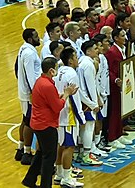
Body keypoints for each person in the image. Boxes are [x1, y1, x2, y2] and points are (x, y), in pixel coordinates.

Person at [22, 57, 79, 188]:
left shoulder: (40, 81)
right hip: (46, 125)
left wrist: (63, 95)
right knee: (49, 157)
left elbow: (49, 100)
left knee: (42, 152)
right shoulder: (47, 85)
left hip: (38, 123)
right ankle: (45, 185)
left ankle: (29, 180)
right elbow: (58, 106)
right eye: (56, 68)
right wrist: (66, 94)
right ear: (51, 70)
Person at [51, 48, 85, 188]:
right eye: (76, 57)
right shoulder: (72, 74)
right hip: (68, 115)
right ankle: (66, 177)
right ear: (70, 60)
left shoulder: (59, 71)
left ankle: (59, 174)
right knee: (69, 146)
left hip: (59, 113)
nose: (77, 59)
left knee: (62, 145)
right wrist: (81, 117)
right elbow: (75, 99)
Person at [15, 28, 42, 165]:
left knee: (25, 120)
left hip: (26, 92)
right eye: (37, 36)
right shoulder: (29, 54)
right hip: (29, 94)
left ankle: (20, 149)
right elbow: (30, 76)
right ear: (31, 39)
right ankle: (26, 153)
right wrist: (34, 92)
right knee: (28, 122)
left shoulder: (24, 49)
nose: (39, 38)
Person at [77, 40, 105, 165]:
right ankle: (87, 156)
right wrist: (94, 103)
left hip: (84, 100)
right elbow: (90, 86)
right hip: (87, 101)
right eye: (95, 48)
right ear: (88, 51)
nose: (97, 50)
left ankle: (82, 152)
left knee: (84, 128)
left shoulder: (83, 62)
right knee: (89, 127)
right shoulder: (88, 65)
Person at [105, 29, 132, 149]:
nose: (125, 38)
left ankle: (119, 133)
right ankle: (112, 138)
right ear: (115, 38)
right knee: (114, 111)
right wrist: (115, 80)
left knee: (121, 110)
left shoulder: (123, 49)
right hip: (115, 86)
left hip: (124, 84)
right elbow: (109, 70)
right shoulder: (112, 51)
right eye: (122, 36)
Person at [93, 34, 112, 152]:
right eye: (98, 46)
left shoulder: (103, 58)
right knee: (97, 120)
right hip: (98, 94)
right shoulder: (94, 62)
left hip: (105, 91)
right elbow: (95, 80)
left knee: (102, 119)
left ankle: (99, 140)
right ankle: (95, 144)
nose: (100, 48)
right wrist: (98, 95)